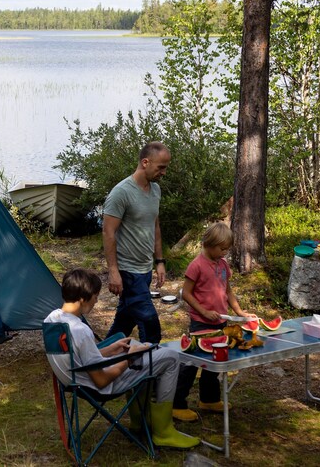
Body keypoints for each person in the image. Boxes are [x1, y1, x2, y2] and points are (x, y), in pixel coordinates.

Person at [44, 269, 199, 449]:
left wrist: (111, 350)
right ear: (82, 299)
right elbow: (101, 380)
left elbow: (77, 357)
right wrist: (129, 357)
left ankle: (139, 422)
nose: (96, 300)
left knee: (137, 344)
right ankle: (163, 431)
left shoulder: (52, 319)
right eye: (95, 296)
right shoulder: (80, 330)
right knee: (170, 357)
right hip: (97, 387)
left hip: (75, 381)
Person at [172, 222, 255, 422]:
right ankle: (177, 404)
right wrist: (203, 311)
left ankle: (208, 399)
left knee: (215, 362)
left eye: (227, 248)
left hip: (220, 321)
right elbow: (187, 294)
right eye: (222, 248)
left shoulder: (223, 264)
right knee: (191, 364)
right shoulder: (196, 265)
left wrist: (239, 311)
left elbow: (228, 291)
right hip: (201, 323)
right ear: (209, 244)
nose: (225, 252)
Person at [103, 141, 170, 345]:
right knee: (150, 326)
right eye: (161, 167)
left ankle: (96, 361)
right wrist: (113, 271)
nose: (164, 173)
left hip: (144, 269)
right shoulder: (121, 192)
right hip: (127, 271)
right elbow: (108, 232)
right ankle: (149, 373)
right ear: (145, 162)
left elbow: (155, 226)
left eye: (166, 167)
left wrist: (159, 261)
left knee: (123, 325)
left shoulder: (156, 190)